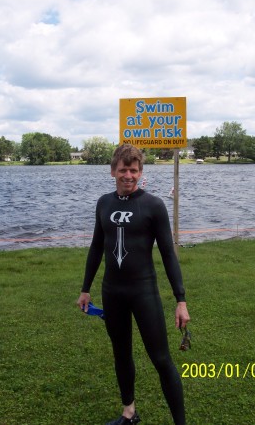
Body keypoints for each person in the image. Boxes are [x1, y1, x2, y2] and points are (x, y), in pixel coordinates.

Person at [77, 144, 190, 425]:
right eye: (123, 169)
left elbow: (167, 254)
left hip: (143, 291)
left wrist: (181, 299)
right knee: (121, 354)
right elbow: (95, 247)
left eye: (134, 170)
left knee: (161, 359)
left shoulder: (153, 205)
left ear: (140, 172)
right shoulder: (104, 203)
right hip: (113, 291)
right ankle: (129, 413)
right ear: (113, 171)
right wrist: (85, 288)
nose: (128, 175)